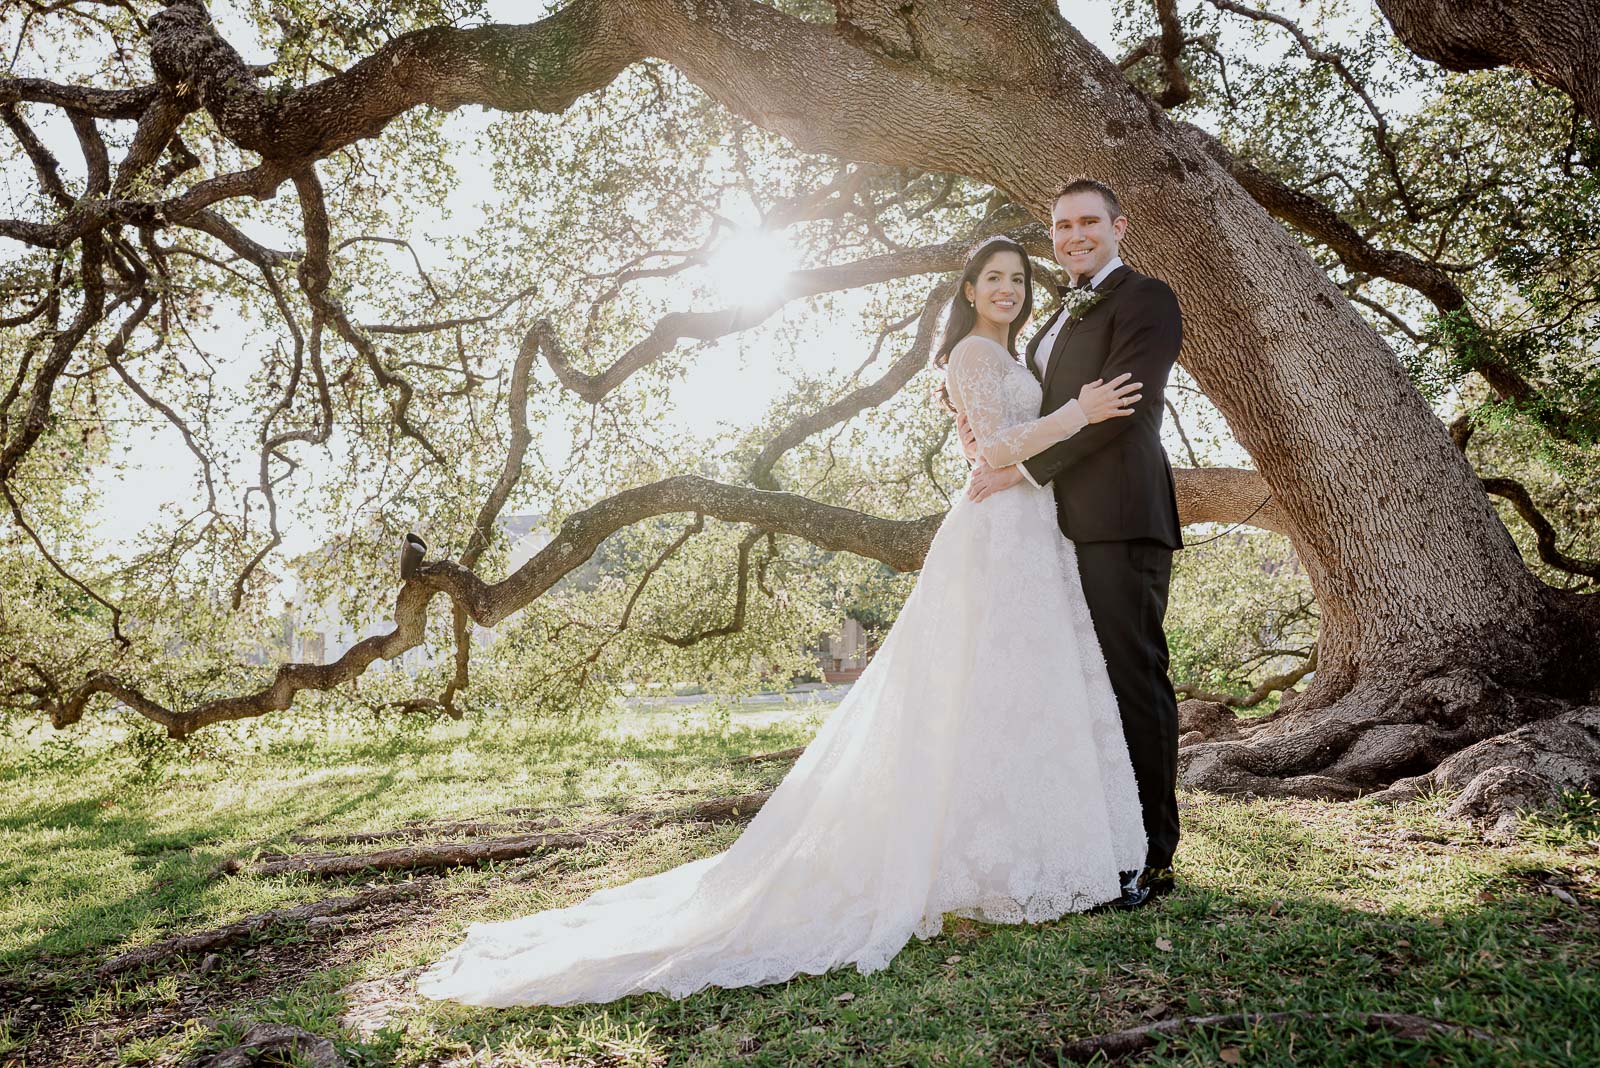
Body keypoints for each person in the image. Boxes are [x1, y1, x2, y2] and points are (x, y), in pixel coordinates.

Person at [417, 234, 1146, 1008]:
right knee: (983, 687)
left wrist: (1022, 448)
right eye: (992, 279)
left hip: (1027, 528)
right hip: (996, 537)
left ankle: (1033, 853)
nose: (1007, 289)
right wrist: (1078, 412)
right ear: (968, 290)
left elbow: (1000, 453)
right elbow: (995, 446)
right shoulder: (970, 355)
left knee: (1020, 689)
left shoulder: (1015, 356)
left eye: (1015, 279)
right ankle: (983, 865)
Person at [962, 177, 1185, 905]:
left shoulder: (1147, 301)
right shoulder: (1057, 315)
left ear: (1119, 226)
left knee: (1133, 681)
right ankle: (1105, 843)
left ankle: (1153, 856)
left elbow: (1118, 414)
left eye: (1089, 222)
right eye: (1061, 227)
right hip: (1060, 531)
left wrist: (1021, 468)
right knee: (1085, 691)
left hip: (1122, 520)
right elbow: (1029, 406)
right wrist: (987, 437)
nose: (1074, 236)